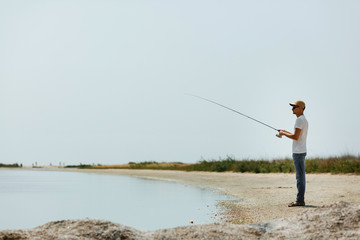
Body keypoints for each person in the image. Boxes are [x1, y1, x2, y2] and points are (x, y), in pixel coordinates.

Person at [278, 100, 308, 207]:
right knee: (300, 176)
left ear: (300, 108)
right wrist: (284, 131)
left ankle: (300, 200)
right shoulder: (303, 120)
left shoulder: (299, 120)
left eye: (294, 107)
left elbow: (295, 137)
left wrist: (284, 134)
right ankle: (300, 199)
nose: (292, 109)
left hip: (298, 152)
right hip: (301, 151)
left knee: (300, 177)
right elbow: (296, 135)